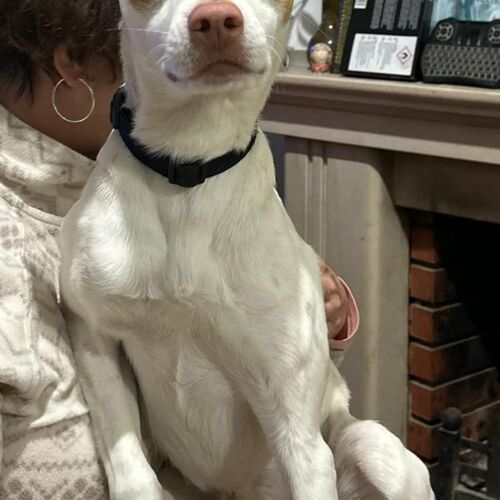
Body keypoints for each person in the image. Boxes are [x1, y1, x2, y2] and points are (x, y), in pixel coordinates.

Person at [0, 1, 357, 498]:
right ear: (73, 62)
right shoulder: (32, 240)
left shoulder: (215, 161)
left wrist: (321, 321)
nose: (215, 15)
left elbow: (272, 379)